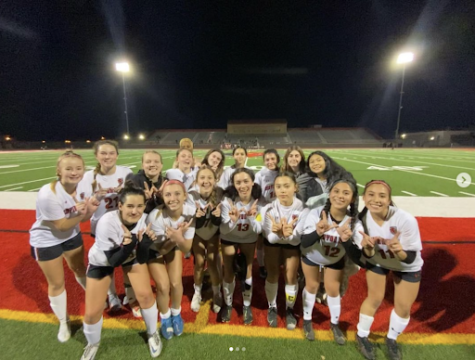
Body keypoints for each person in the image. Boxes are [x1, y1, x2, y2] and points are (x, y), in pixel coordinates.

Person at [81, 183, 162, 360]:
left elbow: (140, 258)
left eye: (140, 206)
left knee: (146, 296)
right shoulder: (106, 222)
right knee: (92, 312)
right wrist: (130, 245)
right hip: (102, 261)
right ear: (120, 206)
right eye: (130, 206)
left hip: (130, 256)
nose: (135, 211)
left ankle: (152, 333)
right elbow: (113, 262)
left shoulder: (147, 220)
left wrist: (145, 245)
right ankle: (92, 343)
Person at [29, 151, 98, 343]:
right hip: (47, 239)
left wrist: (89, 211)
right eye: (68, 168)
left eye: (78, 168)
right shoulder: (48, 194)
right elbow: (61, 225)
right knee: (57, 283)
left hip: (71, 235)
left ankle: (92, 296)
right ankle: (63, 321)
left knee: (79, 268)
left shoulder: (83, 187)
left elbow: (79, 219)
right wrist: (86, 212)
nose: (74, 172)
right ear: (58, 171)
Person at [355, 180, 423, 360]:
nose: (376, 199)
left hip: (405, 264)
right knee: (375, 297)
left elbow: (411, 258)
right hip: (379, 260)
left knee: (403, 306)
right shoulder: (361, 220)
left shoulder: (405, 220)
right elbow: (368, 255)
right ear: (364, 198)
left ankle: (391, 339)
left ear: (389, 199)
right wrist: (367, 247)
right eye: (371, 194)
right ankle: (361, 335)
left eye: (382, 196)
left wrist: (399, 250)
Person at [300, 179, 362, 343]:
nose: (340, 196)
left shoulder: (353, 222)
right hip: (312, 255)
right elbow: (304, 242)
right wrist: (318, 232)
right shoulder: (316, 213)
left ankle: (334, 324)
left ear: (353, 198)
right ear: (330, 193)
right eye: (336, 191)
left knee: (333, 290)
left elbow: (358, 258)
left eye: (346, 192)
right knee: (311, 286)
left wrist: (346, 241)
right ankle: (307, 320)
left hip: (334, 259)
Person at [80, 140, 133, 311]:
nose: (107, 156)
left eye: (111, 153)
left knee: (127, 261)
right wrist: (95, 200)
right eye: (103, 153)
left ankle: (129, 295)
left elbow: (134, 198)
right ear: (96, 155)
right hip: (102, 228)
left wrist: (123, 192)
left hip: (124, 225)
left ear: (117, 155)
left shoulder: (127, 173)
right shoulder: (89, 177)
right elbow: (84, 212)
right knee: (106, 263)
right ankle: (112, 296)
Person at [147, 180, 195, 340]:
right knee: (163, 286)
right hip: (153, 249)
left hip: (173, 243)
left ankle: (176, 314)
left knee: (175, 282)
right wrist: (176, 238)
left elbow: (187, 248)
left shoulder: (190, 212)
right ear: (162, 196)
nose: (172, 198)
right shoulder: (156, 217)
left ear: (185, 196)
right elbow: (160, 249)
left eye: (177, 194)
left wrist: (176, 238)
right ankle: (165, 317)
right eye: (168, 194)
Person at [261, 172, 308, 330]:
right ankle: (272, 306)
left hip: (292, 244)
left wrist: (288, 235)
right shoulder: (269, 208)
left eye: (287, 186)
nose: (282, 190)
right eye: (278, 186)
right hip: (274, 243)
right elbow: (269, 238)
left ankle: (289, 309)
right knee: (272, 274)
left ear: (295, 187)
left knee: (290, 276)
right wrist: (279, 234)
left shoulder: (303, 209)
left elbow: (297, 240)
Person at [219, 168, 263, 325]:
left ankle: (246, 305)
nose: (242, 185)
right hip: (229, 237)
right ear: (233, 184)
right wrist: (233, 220)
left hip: (249, 238)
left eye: (246, 181)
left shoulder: (259, 201)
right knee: (228, 269)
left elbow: (259, 229)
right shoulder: (227, 201)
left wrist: (252, 218)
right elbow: (223, 229)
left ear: (252, 182)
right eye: (238, 182)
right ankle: (229, 304)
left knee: (248, 269)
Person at [188, 166, 223, 313]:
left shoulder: (220, 194)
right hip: (198, 233)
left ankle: (217, 293)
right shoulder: (191, 196)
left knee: (213, 262)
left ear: (215, 180)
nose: (206, 181)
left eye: (210, 178)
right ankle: (197, 293)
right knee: (200, 263)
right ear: (196, 181)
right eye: (202, 178)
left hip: (214, 233)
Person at [254, 149, 281, 278]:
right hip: (263, 209)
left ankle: (276, 262)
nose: (270, 162)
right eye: (267, 159)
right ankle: (261, 265)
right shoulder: (260, 175)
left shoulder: (283, 173)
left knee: (279, 237)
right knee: (261, 239)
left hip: (281, 210)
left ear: (277, 159)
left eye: (272, 159)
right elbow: (256, 195)